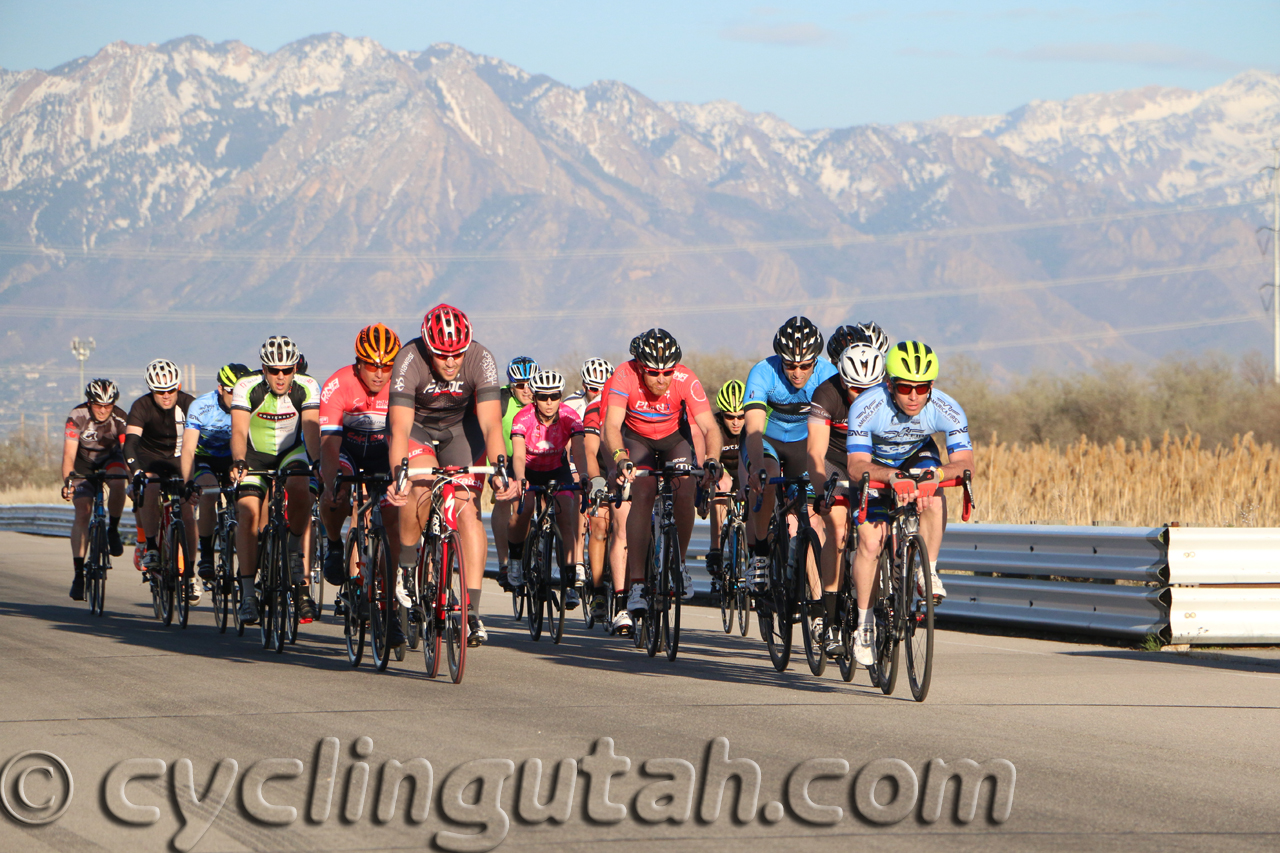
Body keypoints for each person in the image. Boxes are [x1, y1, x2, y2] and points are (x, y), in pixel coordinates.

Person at [386, 304, 520, 648]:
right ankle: (406, 565)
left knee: (467, 508)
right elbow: (399, 429)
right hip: (416, 428)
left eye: (457, 354)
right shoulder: (408, 359)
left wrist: (500, 469)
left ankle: (471, 614)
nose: (451, 362)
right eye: (443, 355)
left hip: (462, 430)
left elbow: (491, 425)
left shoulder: (481, 359)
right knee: (420, 485)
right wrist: (399, 475)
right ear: (429, 348)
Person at [845, 341, 974, 665]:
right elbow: (856, 464)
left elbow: (966, 463)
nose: (914, 396)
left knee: (932, 493)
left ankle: (926, 570)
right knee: (870, 542)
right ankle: (864, 624)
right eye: (905, 387)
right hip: (877, 464)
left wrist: (939, 476)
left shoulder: (946, 407)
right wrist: (890, 478)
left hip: (919, 455)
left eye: (923, 387)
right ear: (890, 384)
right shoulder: (867, 405)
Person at [604, 328, 722, 620]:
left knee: (685, 486)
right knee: (643, 492)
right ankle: (637, 584)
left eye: (667, 372)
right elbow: (611, 426)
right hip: (637, 439)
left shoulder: (685, 379)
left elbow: (710, 428)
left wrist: (712, 460)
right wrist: (620, 458)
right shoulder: (624, 375)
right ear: (640, 367)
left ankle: (678, 564)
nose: (661, 379)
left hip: (673, 439)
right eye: (653, 372)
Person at [228, 336, 322, 626]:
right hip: (254, 456)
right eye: (273, 370)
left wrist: (318, 464)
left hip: (289, 452)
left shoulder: (308, 386)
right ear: (264, 369)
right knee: (248, 514)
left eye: (287, 369)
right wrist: (239, 461)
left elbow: (311, 429)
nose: (280, 376)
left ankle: (294, 551)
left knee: (300, 486)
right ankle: (246, 595)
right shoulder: (247, 387)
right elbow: (239, 432)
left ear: (295, 368)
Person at [742, 316, 837, 589]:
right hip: (767, 440)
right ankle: (760, 555)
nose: (797, 372)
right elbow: (754, 430)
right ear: (780, 359)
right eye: (790, 365)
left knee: (810, 513)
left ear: (815, 362)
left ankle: (817, 599)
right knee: (768, 478)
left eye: (805, 365)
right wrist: (757, 467)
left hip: (804, 445)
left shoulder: (828, 374)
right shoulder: (763, 372)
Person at [807, 343, 885, 653]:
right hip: (835, 461)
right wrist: (821, 489)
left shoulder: (888, 396)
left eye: (870, 388)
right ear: (841, 379)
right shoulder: (826, 395)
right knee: (837, 528)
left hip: (870, 462)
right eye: (854, 389)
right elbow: (814, 452)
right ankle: (830, 619)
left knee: (880, 530)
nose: (862, 395)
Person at [318, 324, 402, 598]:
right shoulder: (338, 385)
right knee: (338, 493)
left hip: (382, 452)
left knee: (392, 515)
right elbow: (329, 444)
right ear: (358, 363)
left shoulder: (400, 385)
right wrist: (331, 485)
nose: (380, 374)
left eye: (387, 366)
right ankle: (333, 544)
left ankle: (388, 597)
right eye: (372, 365)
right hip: (347, 451)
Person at [507, 370, 590, 608]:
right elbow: (519, 454)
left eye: (554, 396)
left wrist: (583, 475)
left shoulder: (570, 416)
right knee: (526, 507)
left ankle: (571, 582)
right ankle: (515, 558)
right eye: (544, 397)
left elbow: (580, 451)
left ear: (560, 396)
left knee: (567, 514)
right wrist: (521, 478)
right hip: (528, 469)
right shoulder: (523, 418)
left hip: (557, 468)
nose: (550, 402)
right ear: (535, 398)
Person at [124, 359, 198, 600]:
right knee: (150, 485)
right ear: (150, 390)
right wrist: (136, 472)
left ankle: (190, 573)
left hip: (180, 459)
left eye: (171, 390)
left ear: (178, 386)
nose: (166, 396)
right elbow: (131, 444)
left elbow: (204, 441)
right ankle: (152, 547)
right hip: (151, 459)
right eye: (159, 391)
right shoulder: (141, 406)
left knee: (187, 513)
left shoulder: (189, 404)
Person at [181, 363, 251, 584]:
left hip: (234, 459)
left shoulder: (251, 405)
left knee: (245, 502)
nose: (238, 397)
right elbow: (188, 449)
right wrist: (188, 481)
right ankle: (208, 556)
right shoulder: (201, 406)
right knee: (209, 492)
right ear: (220, 389)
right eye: (232, 392)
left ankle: (247, 561)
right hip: (206, 459)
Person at [61, 379, 128, 600]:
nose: (102, 410)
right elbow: (69, 455)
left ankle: (113, 529)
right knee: (83, 511)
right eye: (98, 405)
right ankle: (78, 574)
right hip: (83, 463)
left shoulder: (120, 418)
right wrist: (68, 483)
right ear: (89, 403)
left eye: (107, 406)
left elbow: (128, 453)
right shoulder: (77, 416)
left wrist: (133, 478)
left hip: (111, 459)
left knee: (119, 482)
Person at [493, 356, 537, 592]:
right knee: (503, 497)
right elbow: (489, 430)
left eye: (531, 383)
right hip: (507, 458)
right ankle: (504, 563)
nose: (527, 390)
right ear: (511, 386)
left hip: (536, 458)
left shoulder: (543, 398)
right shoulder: (501, 400)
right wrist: (498, 469)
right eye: (521, 385)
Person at [704, 379, 746, 593]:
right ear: (722, 415)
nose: (736, 422)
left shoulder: (753, 424)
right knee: (721, 484)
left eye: (741, 416)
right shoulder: (715, 426)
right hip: (725, 470)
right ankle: (716, 549)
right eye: (730, 417)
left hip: (745, 469)